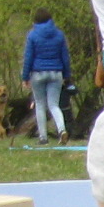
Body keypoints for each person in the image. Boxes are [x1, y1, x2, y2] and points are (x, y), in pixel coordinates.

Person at [21, 9, 72, 143]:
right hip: (56, 73)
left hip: (38, 73)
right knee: (54, 105)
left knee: (40, 105)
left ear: (35, 21)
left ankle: (43, 137)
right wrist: (66, 75)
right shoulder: (59, 34)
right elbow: (65, 57)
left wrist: (25, 77)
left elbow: (28, 57)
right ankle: (62, 129)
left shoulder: (32, 35)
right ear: (50, 19)